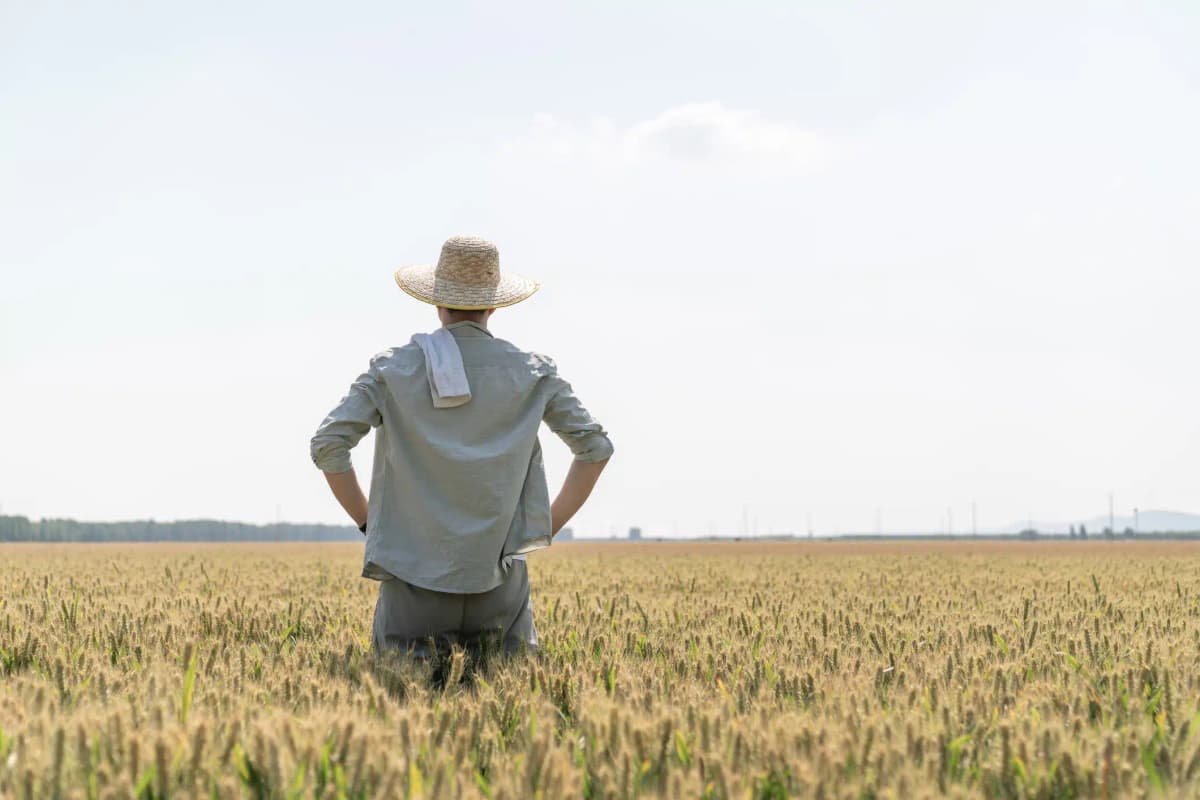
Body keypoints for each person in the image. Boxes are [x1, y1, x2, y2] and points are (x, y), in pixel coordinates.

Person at [310, 235, 613, 658]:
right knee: (506, 695)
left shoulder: (393, 369)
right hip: (501, 576)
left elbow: (328, 445)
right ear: (494, 305)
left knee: (405, 706)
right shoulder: (533, 373)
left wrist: (368, 522)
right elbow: (595, 448)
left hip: (412, 580)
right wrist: (545, 526)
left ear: (436, 301)